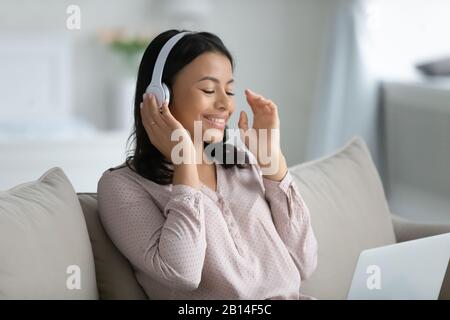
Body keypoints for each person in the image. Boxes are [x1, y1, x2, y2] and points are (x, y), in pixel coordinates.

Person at [97, 29, 318, 299]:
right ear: (159, 95)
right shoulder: (121, 186)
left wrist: (273, 164)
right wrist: (184, 161)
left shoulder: (241, 163)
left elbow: (305, 262)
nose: (226, 104)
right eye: (209, 89)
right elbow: (183, 273)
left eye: (229, 90)